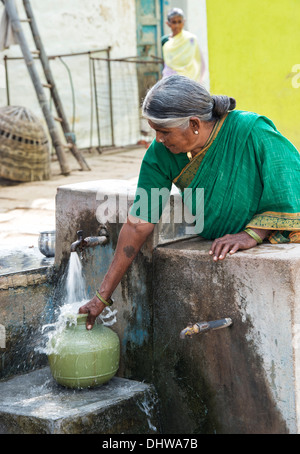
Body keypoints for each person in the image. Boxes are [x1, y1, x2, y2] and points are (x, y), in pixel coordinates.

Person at [79, 75, 300, 329]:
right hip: (214, 246)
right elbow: (138, 224)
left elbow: (290, 180)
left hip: (274, 240)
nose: (159, 139)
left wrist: (252, 234)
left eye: (164, 131)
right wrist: (101, 296)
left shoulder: (250, 130)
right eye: (155, 131)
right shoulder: (160, 154)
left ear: (194, 123)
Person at [161, 8, 205, 82]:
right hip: (171, 79)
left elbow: (199, 61)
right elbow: (167, 63)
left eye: (179, 22)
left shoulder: (191, 39)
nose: (177, 25)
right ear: (168, 24)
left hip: (190, 80)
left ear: (183, 22)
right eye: (174, 22)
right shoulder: (165, 41)